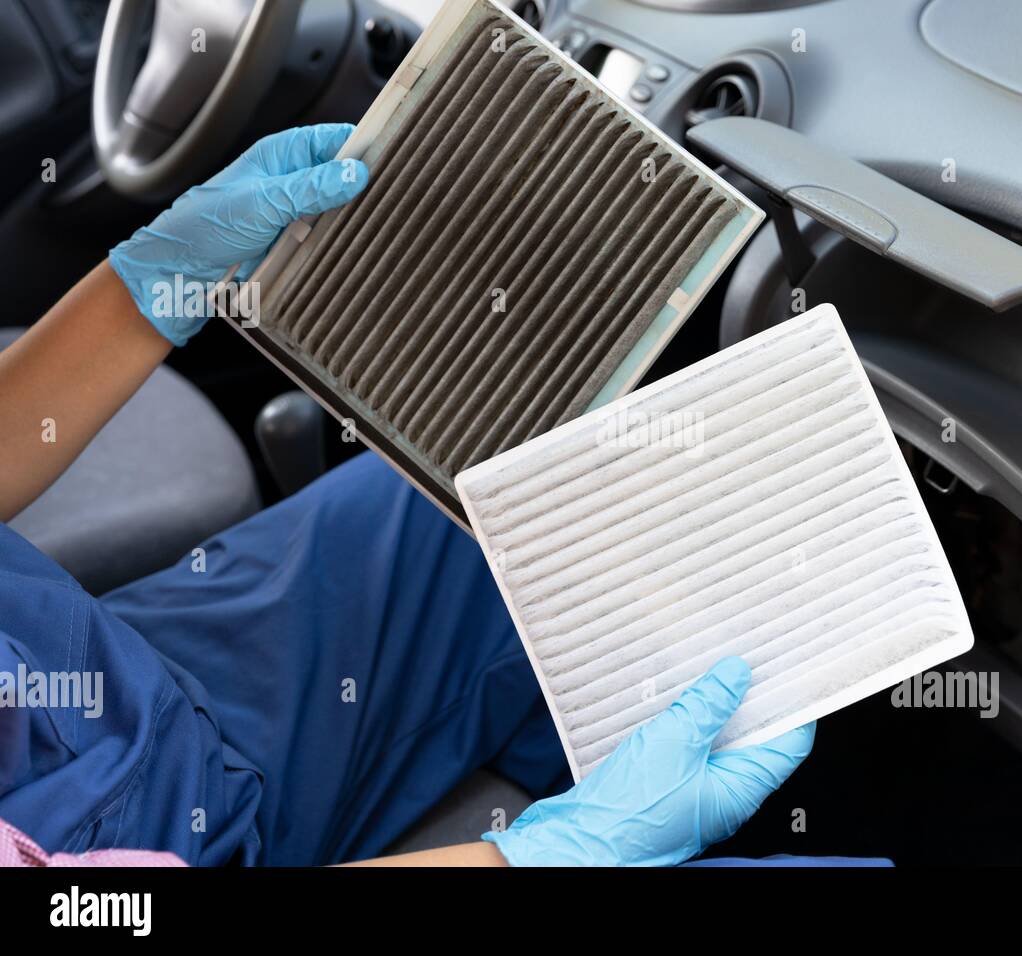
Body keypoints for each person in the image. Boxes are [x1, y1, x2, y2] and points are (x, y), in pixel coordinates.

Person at [0, 124, 817, 867]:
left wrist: (158, 272)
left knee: (538, 492)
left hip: (92, 668)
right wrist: (556, 854)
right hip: (152, 844)